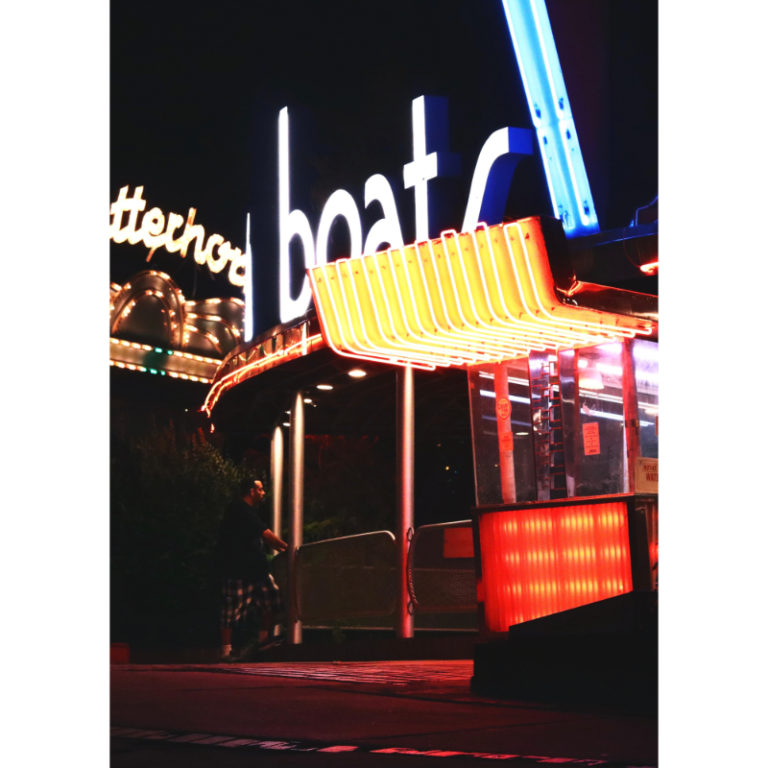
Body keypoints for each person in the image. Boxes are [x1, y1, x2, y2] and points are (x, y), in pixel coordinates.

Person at [217, 477, 288, 661]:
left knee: (272, 600)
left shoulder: (248, 512)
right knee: (232, 609)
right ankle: (226, 650)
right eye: (260, 489)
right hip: (239, 570)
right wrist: (286, 547)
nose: (263, 493)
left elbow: (261, 535)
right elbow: (264, 533)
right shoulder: (239, 509)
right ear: (251, 491)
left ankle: (263, 639)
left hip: (258, 570)